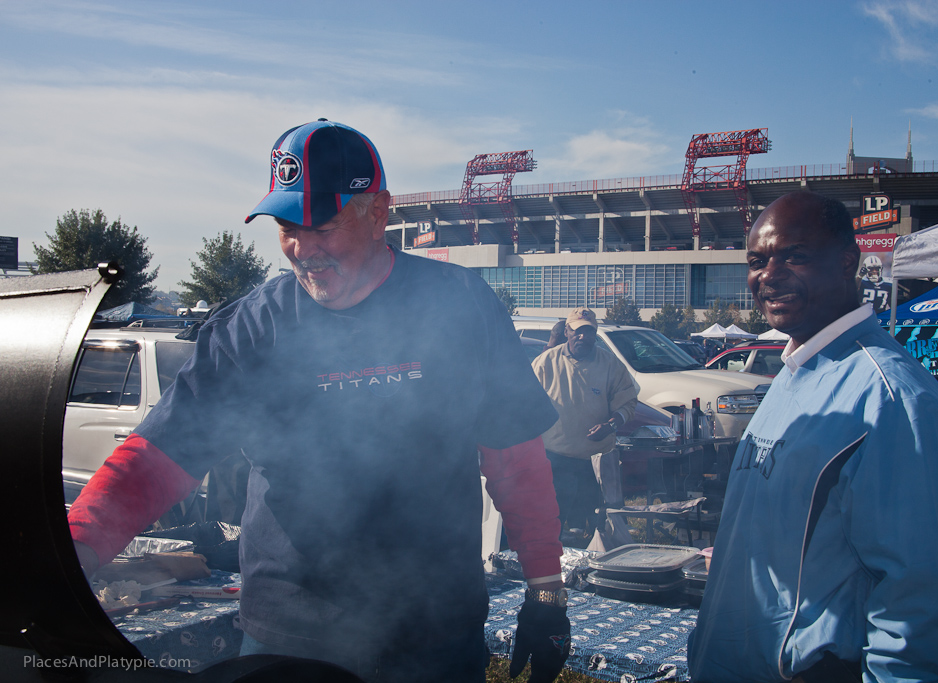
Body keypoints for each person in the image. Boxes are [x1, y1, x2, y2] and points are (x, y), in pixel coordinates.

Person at [67, 120, 570, 683]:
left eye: (324, 227)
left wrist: (545, 589)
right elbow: (160, 457)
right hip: (292, 631)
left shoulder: (462, 306)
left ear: (378, 212)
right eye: (287, 228)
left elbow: (514, 457)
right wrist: (71, 553)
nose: (304, 251)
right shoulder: (249, 329)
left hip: (436, 628)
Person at [687, 191, 938, 682]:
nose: (769, 275)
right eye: (757, 261)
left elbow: (924, 601)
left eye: (794, 256)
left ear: (848, 262)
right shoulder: (793, 373)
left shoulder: (890, 400)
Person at [531, 308, 638, 539]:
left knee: (600, 527)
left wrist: (611, 425)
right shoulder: (545, 362)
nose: (583, 337)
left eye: (589, 332)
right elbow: (525, 403)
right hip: (555, 457)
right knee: (551, 523)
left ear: (595, 334)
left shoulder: (611, 365)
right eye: (578, 331)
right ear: (567, 332)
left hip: (596, 460)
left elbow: (627, 403)